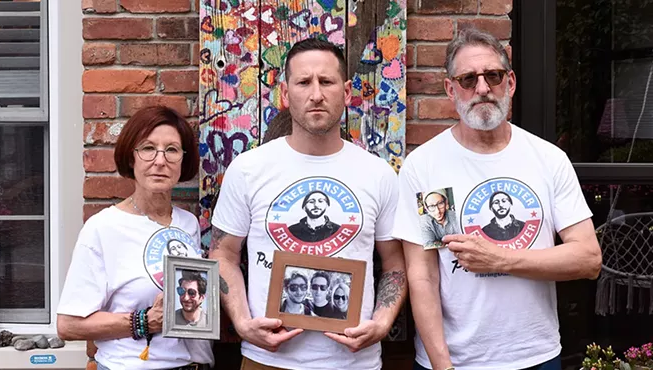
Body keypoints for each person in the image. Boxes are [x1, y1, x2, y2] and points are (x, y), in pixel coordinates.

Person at [392, 27, 602, 370]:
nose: (483, 88)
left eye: (493, 75)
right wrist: (442, 365)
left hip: (534, 356)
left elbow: (588, 258)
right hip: (454, 361)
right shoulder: (426, 166)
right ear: (450, 89)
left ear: (511, 82)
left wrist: (500, 259)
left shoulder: (547, 159)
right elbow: (423, 275)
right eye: (467, 79)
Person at [208, 38, 407, 370]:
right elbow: (222, 253)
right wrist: (242, 322)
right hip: (268, 359)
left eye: (326, 81)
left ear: (345, 92)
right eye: (304, 82)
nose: (316, 94)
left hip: (354, 362)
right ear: (286, 94)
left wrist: (382, 322)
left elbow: (395, 264)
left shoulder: (378, 174)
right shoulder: (248, 169)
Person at [56, 106, 214, 370]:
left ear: (183, 162)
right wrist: (144, 321)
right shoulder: (104, 228)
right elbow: (68, 325)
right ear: (132, 158)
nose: (160, 161)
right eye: (148, 148)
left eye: (172, 150)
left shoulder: (188, 224)